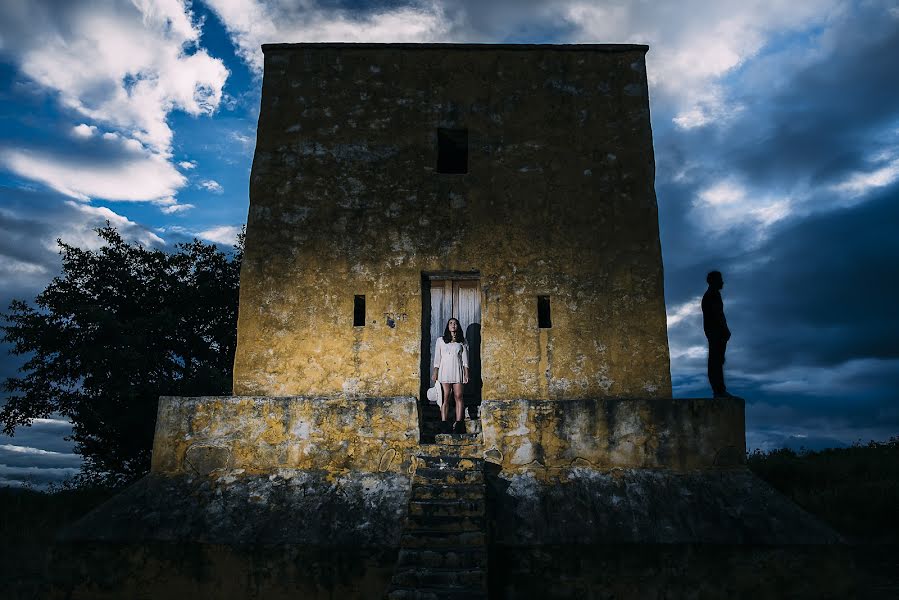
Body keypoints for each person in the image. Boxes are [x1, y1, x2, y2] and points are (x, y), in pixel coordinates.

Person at [432, 318, 470, 433]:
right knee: (445, 397)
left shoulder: (462, 341)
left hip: (458, 371)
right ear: (448, 326)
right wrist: (435, 372)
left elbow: (465, 360)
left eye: (455, 323)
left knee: (458, 396)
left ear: (458, 326)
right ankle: (444, 423)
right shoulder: (441, 340)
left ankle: (459, 424)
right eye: (451, 323)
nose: (453, 325)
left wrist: (466, 374)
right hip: (444, 371)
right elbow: (437, 358)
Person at [702, 270, 733, 398]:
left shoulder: (712, 295)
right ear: (714, 281)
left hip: (715, 333)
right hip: (715, 333)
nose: (722, 282)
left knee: (717, 361)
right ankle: (719, 390)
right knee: (716, 361)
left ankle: (719, 390)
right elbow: (717, 315)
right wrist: (724, 330)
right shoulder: (712, 295)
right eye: (720, 279)